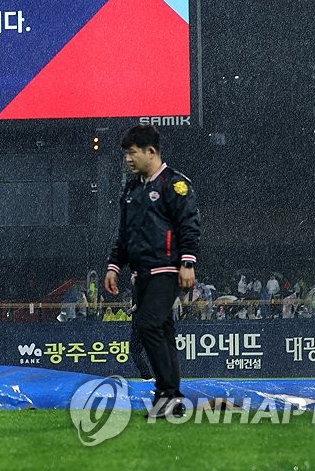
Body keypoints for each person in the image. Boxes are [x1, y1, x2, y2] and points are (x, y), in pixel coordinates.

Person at [103, 124, 202, 419]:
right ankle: (171, 398)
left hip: (167, 269)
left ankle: (167, 395)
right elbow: (124, 233)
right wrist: (113, 266)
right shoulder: (132, 189)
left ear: (151, 152)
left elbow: (189, 225)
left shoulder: (175, 185)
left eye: (132, 153)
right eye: (126, 154)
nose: (128, 159)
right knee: (163, 331)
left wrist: (187, 262)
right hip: (141, 274)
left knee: (147, 327)